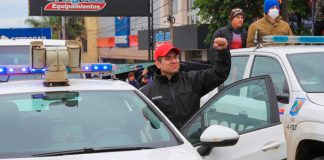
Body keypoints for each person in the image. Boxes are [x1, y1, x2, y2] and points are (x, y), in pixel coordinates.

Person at [140, 39, 231, 129]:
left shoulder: (192, 80)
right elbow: (143, 124)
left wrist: (223, 52)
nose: (174, 61)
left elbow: (219, 74)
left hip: (193, 140)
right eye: (168, 58)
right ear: (158, 63)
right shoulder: (146, 92)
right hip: (168, 142)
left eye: (175, 57)